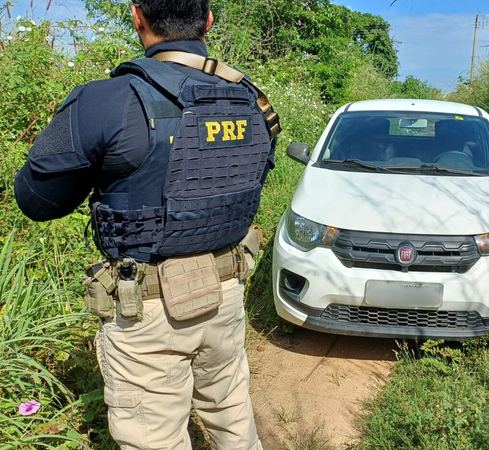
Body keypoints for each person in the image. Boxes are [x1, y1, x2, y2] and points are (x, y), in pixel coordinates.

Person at [14, 1, 280, 448]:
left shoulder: (106, 99)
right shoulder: (253, 100)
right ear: (208, 21)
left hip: (148, 307)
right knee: (232, 417)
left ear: (137, 16)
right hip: (227, 291)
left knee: (153, 437)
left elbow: (37, 201)